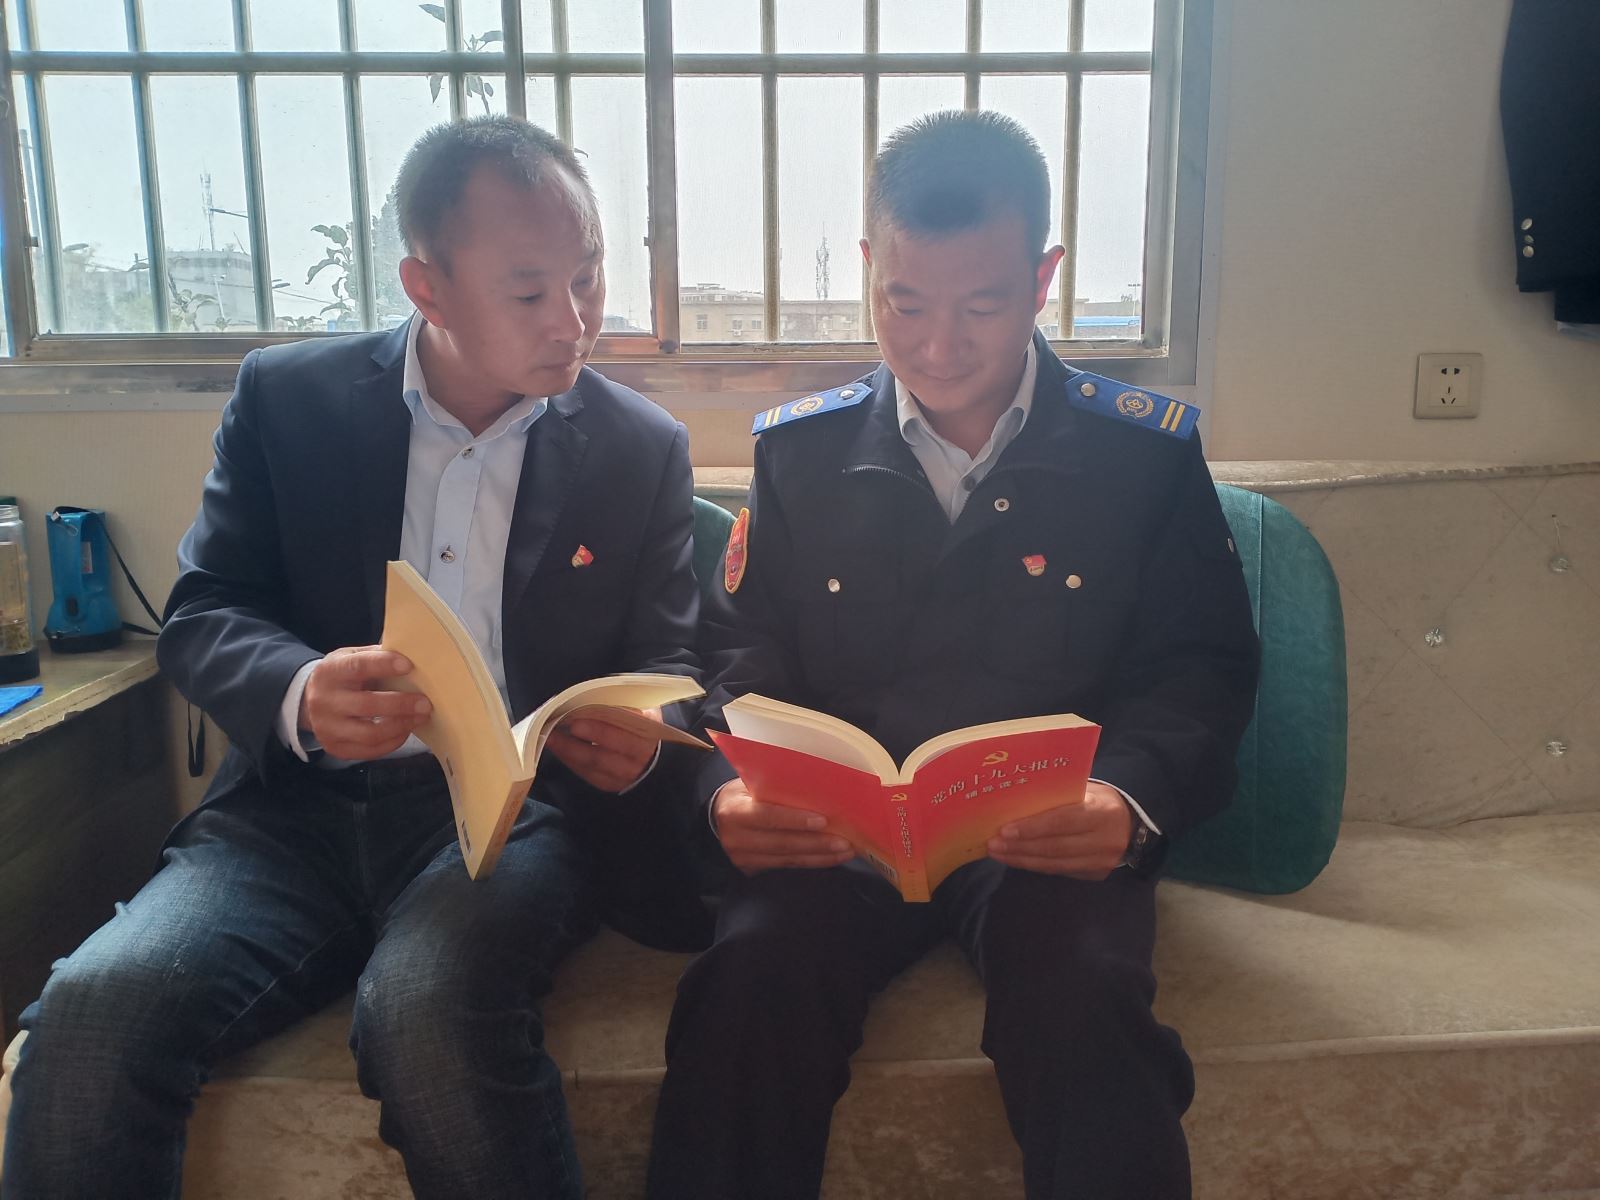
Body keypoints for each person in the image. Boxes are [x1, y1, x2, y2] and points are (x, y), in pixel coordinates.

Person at [4, 115, 709, 1200]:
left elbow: (673, 652)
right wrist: (298, 690)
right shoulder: (288, 400)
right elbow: (205, 609)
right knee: (94, 1016)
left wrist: (647, 736)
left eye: (589, 276)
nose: (574, 322)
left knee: (426, 1012)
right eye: (530, 292)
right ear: (427, 287)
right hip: (287, 820)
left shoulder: (638, 447)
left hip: (505, 824)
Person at [646, 110, 1260, 1200]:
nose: (937, 346)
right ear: (870, 267)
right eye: (904, 303)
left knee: (1084, 997)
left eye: (981, 306)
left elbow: (1199, 668)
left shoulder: (1139, 457)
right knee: (746, 984)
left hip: (1041, 836)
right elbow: (735, 660)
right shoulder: (801, 454)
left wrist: (1125, 801)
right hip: (842, 837)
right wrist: (725, 796)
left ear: (1043, 280)